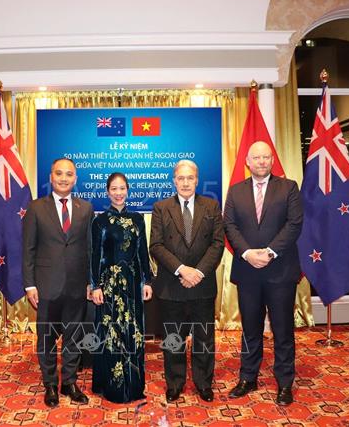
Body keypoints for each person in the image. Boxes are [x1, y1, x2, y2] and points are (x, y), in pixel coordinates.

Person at [223, 141, 303, 406]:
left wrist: (269, 253)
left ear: (272, 160)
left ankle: (285, 382)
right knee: (250, 329)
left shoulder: (288, 187)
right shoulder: (236, 190)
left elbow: (294, 224)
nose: (261, 161)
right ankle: (248, 377)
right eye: (256, 158)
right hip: (248, 272)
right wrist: (248, 253)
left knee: (283, 329)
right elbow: (229, 225)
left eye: (265, 157)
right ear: (248, 161)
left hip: (280, 271)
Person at [149, 160, 225, 403]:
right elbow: (156, 246)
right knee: (173, 339)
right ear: (174, 181)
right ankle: (175, 383)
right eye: (180, 178)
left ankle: (204, 383)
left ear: (196, 180)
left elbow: (217, 244)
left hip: (202, 285)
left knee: (204, 338)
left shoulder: (212, 206)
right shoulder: (161, 208)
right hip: (172, 286)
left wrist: (197, 273)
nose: (185, 182)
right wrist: (182, 270)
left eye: (189, 178)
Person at [23, 157, 94, 407]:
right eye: (59, 173)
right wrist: (30, 285)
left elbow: (90, 248)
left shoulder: (86, 208)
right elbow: (28, 249)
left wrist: (91, 282)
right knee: (46, 339)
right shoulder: (35, 208)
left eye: (69, 174)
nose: (64, 178)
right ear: (51, 177)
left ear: (75, 179)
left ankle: (69, 383)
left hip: (77, 285)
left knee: (74, 337)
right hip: (46, 286)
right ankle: (51, 384)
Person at [90, 172, 153, 403]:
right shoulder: (99, 221)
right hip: (108, 287)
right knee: (111, 334)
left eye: (122, 188)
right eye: (114, 189)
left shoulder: (137, 219)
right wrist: (95, 286)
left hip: (133, 285)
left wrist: (147, 281)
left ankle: (134, 386)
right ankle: (112, 387)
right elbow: (95, 255)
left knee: (133, 333)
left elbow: (143, 252)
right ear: (107, 192)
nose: (118, 193)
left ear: (128, 190)